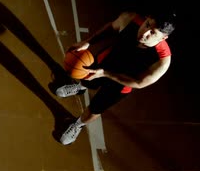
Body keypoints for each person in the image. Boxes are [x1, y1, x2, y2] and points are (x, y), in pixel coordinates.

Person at [50, 9, 177, 145]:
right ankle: (80, 87)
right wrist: (88, 42)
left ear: (163, 38)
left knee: (95, 109)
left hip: (120, 84)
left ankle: (78, 124)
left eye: (152, 32)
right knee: (87, 78)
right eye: (147, 24)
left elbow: (139, 83)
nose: (145, 33)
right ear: (147, 18)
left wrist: (105, 73)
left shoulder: (162, 60)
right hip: (106, 61)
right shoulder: (130, 19)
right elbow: (111, 27)